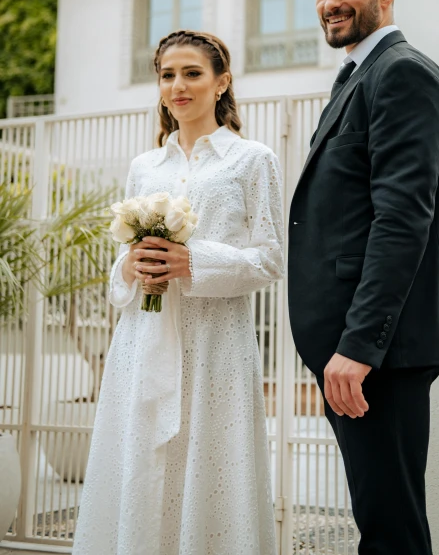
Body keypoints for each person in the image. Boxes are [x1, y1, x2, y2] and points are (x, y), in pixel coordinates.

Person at [288, 0, 439, 555]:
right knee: (384, 520)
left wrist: (358, 346)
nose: (330, 1)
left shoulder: (400, 72)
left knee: (391, 527)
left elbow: (402, 219)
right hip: (362, 349)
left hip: (378, 352)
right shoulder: (357, 76)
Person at [73, 31, 283, 555]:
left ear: (222, 82)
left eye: (192, 73)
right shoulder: (146, 167)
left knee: (211, 464)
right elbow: (118, 266)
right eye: (168, 75)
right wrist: (133, 267)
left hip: (216, 346)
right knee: (142, 469)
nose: (178, 85)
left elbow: (271, 258)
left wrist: (195, 263)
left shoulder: (253, 159)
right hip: (142, 344)